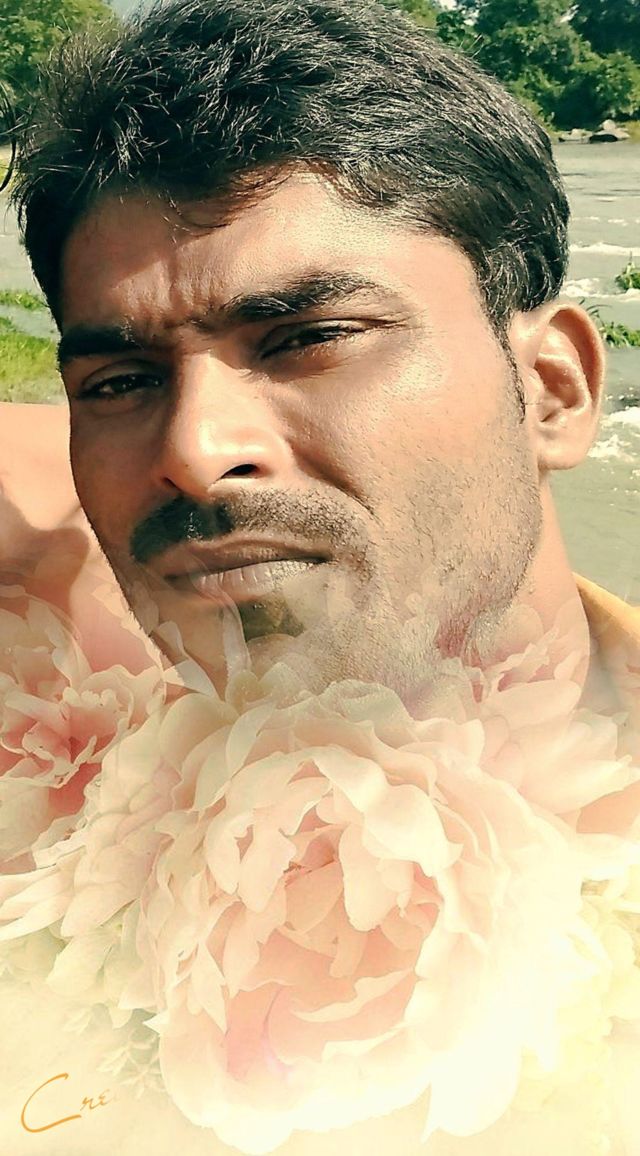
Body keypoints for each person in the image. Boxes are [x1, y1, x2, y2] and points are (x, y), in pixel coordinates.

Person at [1, 2, 638, 1154]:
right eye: (120, 381)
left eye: (306, 338)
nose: (194, 449)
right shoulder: (58, 767)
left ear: (551, 389)